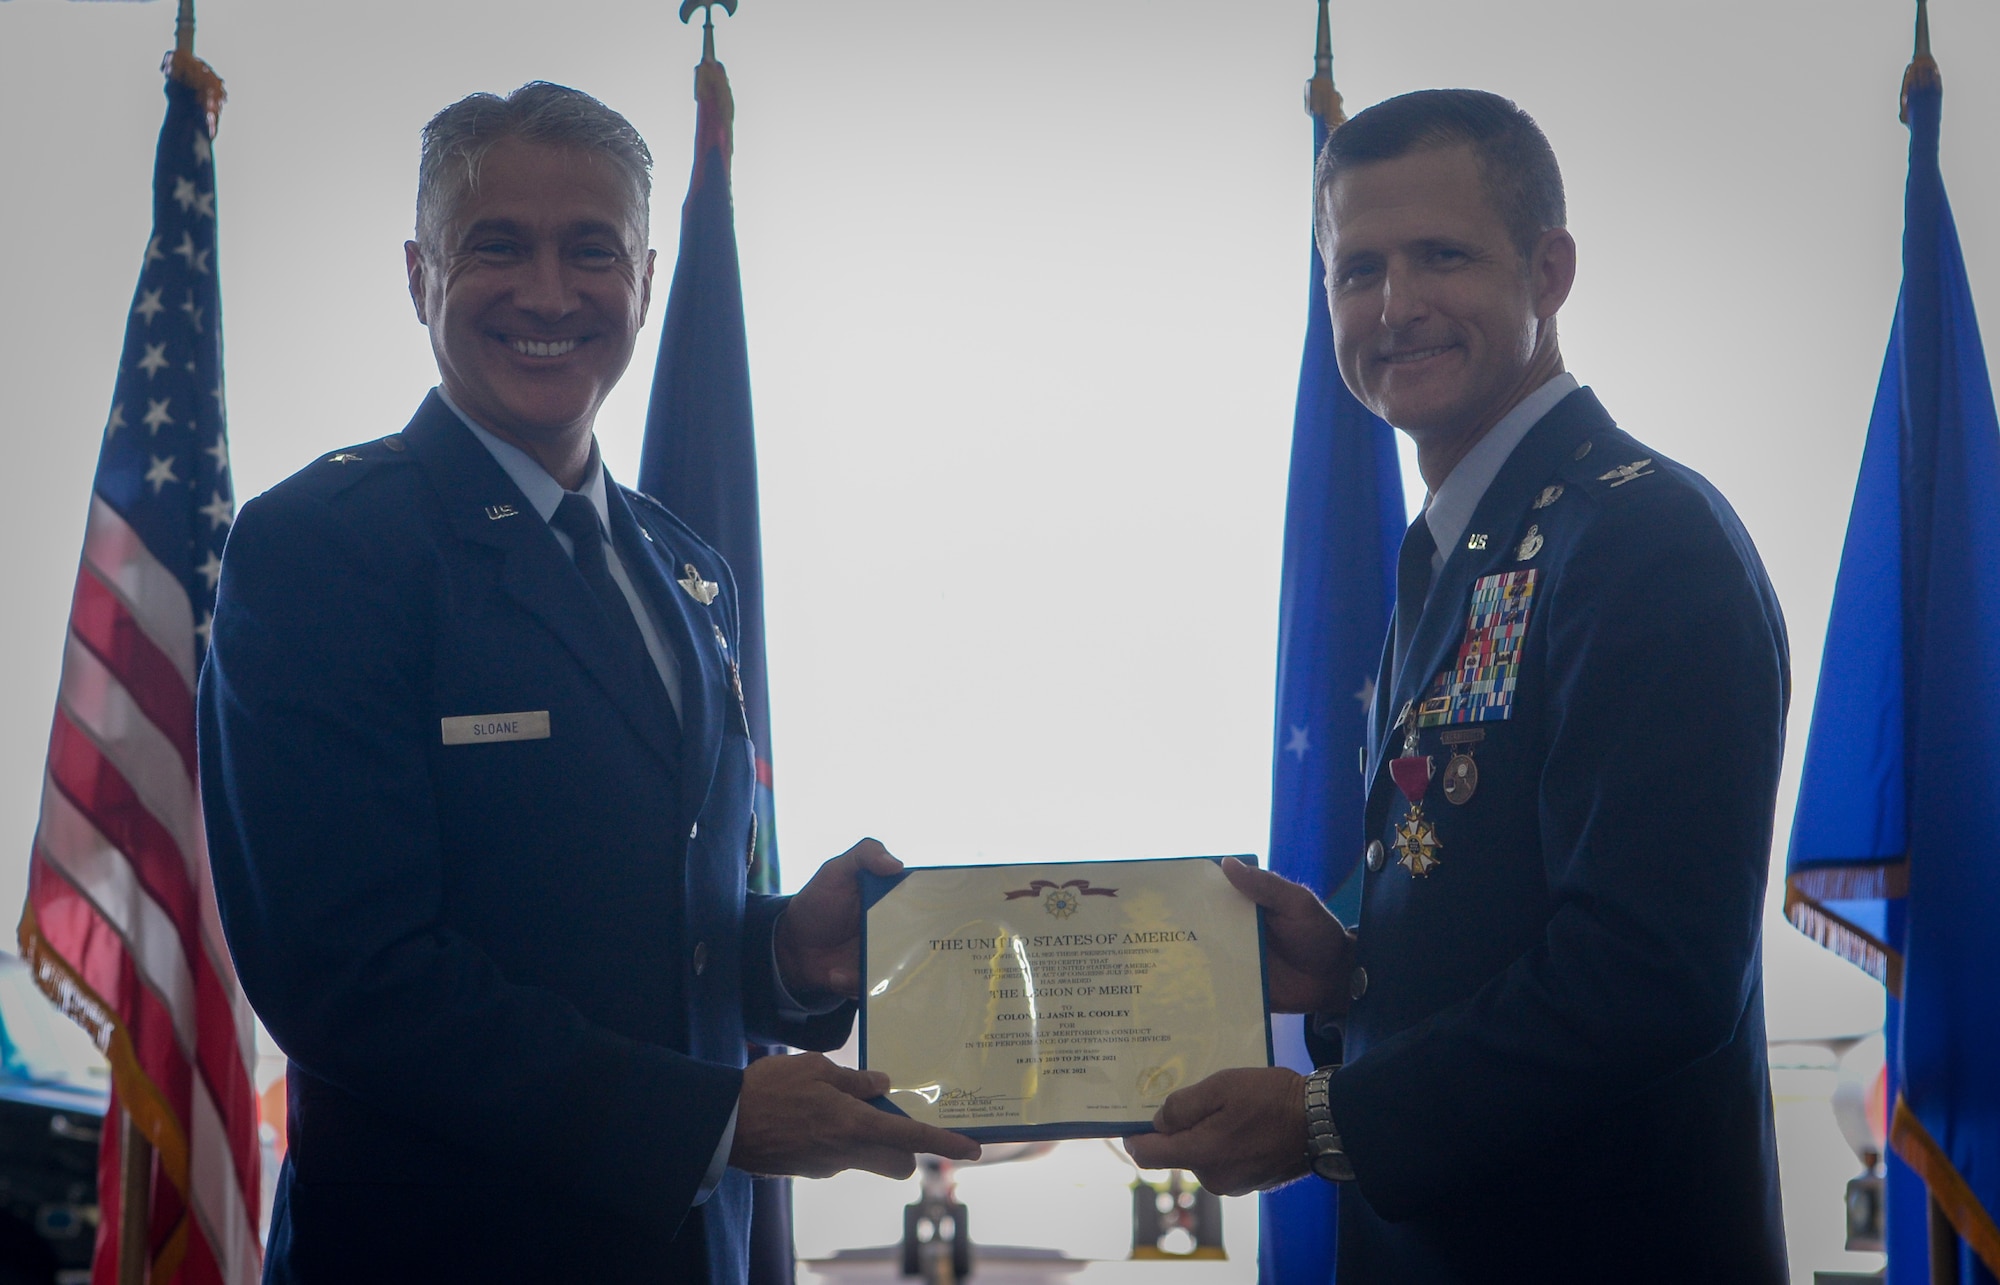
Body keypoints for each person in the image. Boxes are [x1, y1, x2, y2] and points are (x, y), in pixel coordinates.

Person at [199, 82, 977, 1284]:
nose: (550, 294)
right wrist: (713, 1118)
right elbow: (350, 977)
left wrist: (784, 955)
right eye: (495, 247)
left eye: (592, 251)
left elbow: (638, 929)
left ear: (647, 279)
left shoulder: (682, 565)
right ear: (418, 276)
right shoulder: (324, 548)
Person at [1125, 89, 1790, 1281]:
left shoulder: (1642, 540)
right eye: (1355, 269)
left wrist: (1328, 1118)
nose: (1394, 307)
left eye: (1441, 255)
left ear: (1548, 269)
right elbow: (1497, 904)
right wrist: (1344, 972)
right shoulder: (1456, 548)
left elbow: (1648, 973)